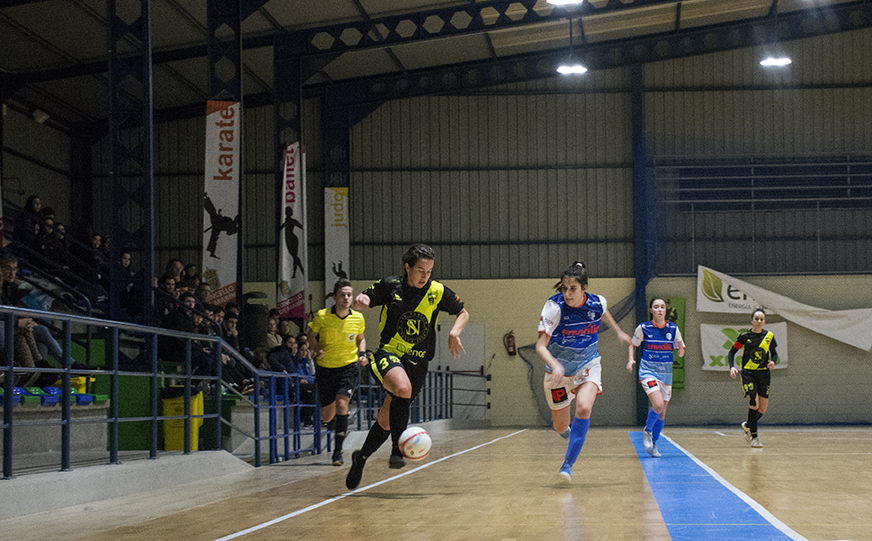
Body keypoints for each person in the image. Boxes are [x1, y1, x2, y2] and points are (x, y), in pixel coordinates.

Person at [346, 243, 468, 490]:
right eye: (421, 270)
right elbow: (369, 297)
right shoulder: (391, 286)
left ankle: (361, 458)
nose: (425, 276)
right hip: (388, 355)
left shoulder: (437, 291)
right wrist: (362, 299)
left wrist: (455, 332)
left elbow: (462, 312)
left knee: (386, 420)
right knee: (403, 388)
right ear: (407, 267)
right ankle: (396, 451)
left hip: (418, 363)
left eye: (430, 271)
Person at [536, 261, 632, 482]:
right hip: (557, 373)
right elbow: (540, 346)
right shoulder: (554, 307)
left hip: (587, 365)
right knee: (561, 426)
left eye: (573, 289)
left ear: (584, 288)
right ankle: (568, 434)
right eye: (564, 288)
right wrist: (556, 364)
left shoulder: (597, 303)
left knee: (584, 407)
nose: (568, 294)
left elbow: (603, 311)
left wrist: (618, 331)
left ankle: (567, 465)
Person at [307, 279, 366, 466]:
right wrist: (316, 349)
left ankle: (338, 452)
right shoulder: (322, 316)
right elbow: (310, 336)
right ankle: (333, 423)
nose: (346, 298)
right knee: (327, 416)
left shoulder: (358, 318)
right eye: (342, 295)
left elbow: (361, 339)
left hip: (347, 367)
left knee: (342, 403)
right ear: (334, 297)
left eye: (349, 294)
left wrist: (362, 353)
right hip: (325, 369)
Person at [627, 297, 685, 458]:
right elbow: (633, 344)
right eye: (656, 307)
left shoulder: (673, 329)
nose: (659, 309)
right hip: (648, 371)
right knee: (658, 405)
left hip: (666, 374)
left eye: (662, 307)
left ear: (666, 310)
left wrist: (680, 350)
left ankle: (654, 444)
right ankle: (647, 430)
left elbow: (681, 349)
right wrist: (631, 359)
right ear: (651, 310)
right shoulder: (644, 328)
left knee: (662, 413)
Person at [728, 308, 777, 449]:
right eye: (757, 319)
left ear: (764, 321)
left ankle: (748, 424)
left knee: (762, 408)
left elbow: (774, 353)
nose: (759, 321)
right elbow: (732, 352)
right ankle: (754, 437)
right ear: (752, 320)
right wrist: (732, 366)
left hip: (764, 374)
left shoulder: (769, 336)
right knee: (753, 404)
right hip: (748, 373)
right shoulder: (745, 336)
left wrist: (773, 361)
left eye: (762, 319)